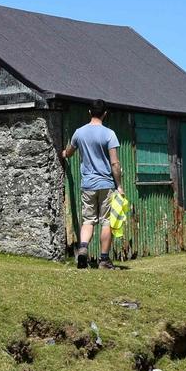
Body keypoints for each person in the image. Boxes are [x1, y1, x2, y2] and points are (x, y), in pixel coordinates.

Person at [62, 102, 126, 268]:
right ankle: (104, 260)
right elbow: (115, 163)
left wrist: (64, 154)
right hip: (106, 184)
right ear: (105, 113)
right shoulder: (109, 134)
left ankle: (83, 249)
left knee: (88, 220)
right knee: (106, 222)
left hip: (88, 184)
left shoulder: (79, 133)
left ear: (90, 112)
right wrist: (119, 185)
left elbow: (69, 152)